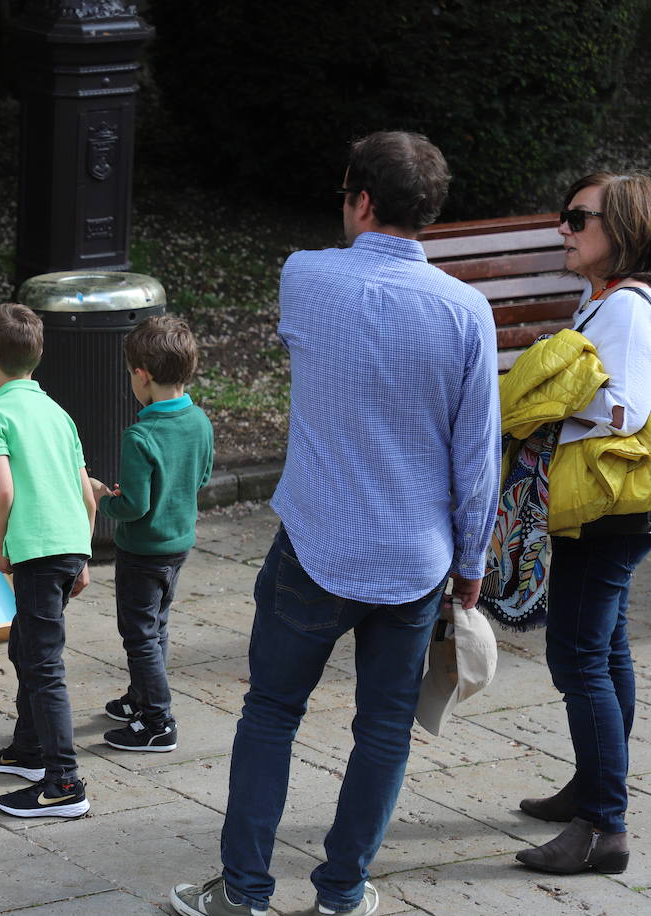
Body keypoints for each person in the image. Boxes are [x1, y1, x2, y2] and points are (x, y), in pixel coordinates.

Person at [169, 131, 500, 916]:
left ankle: (243, 893)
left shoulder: (304, 276)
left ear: (360, 200)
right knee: (385, 728)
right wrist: (473, 559)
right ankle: (343, 893)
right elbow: (477, 454)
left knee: (270, 714)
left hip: (314, 544)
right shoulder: (467, 313)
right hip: (416, 557)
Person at [513, 170, 651, 875]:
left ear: (622, 230)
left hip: (606, 511)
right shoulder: (602, 301)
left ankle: (605, 826)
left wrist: (545, 402)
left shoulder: (625, 308)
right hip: (610, 511)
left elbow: (623, 411)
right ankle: (592, 790)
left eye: (578, 218)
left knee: (577, 658)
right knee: (607, 652)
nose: (563, 229)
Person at [0, 302, 97, 818]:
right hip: (68, 546)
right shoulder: (57, 412)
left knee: (43, 665)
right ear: (37, 357)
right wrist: (84, 556)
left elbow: (1, 492)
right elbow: (87, 495)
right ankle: (29, 750)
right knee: (25, 645)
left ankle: (64, 782)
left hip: (38, 553)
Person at [89, 314, 214, 753]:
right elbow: (201, 477)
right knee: (157, 625)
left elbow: (133, 507)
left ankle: (158, 720)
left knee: (139, 634)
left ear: (141, 376)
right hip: (178, 545)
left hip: (142, 551)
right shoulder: (199, 421)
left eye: (130, 375)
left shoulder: (140, 435)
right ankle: (141, 699)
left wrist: (102, 496)